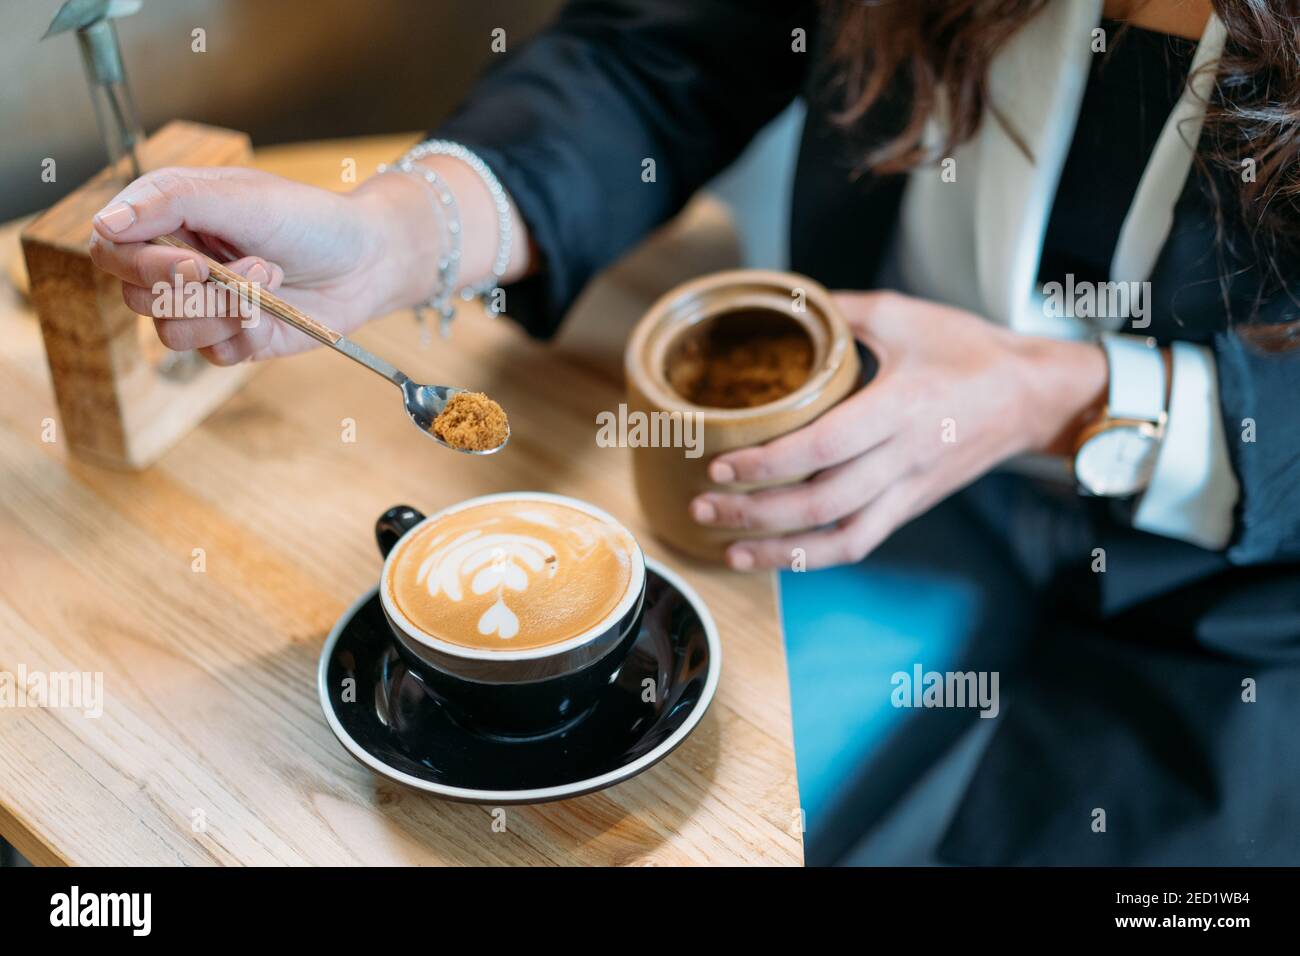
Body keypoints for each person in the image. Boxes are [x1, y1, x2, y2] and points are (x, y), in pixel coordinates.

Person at [88, 0, 1300, 865]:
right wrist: (408, 236)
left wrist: (1068, 392)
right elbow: (662, 50)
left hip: (1235, 605)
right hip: (850, 490)